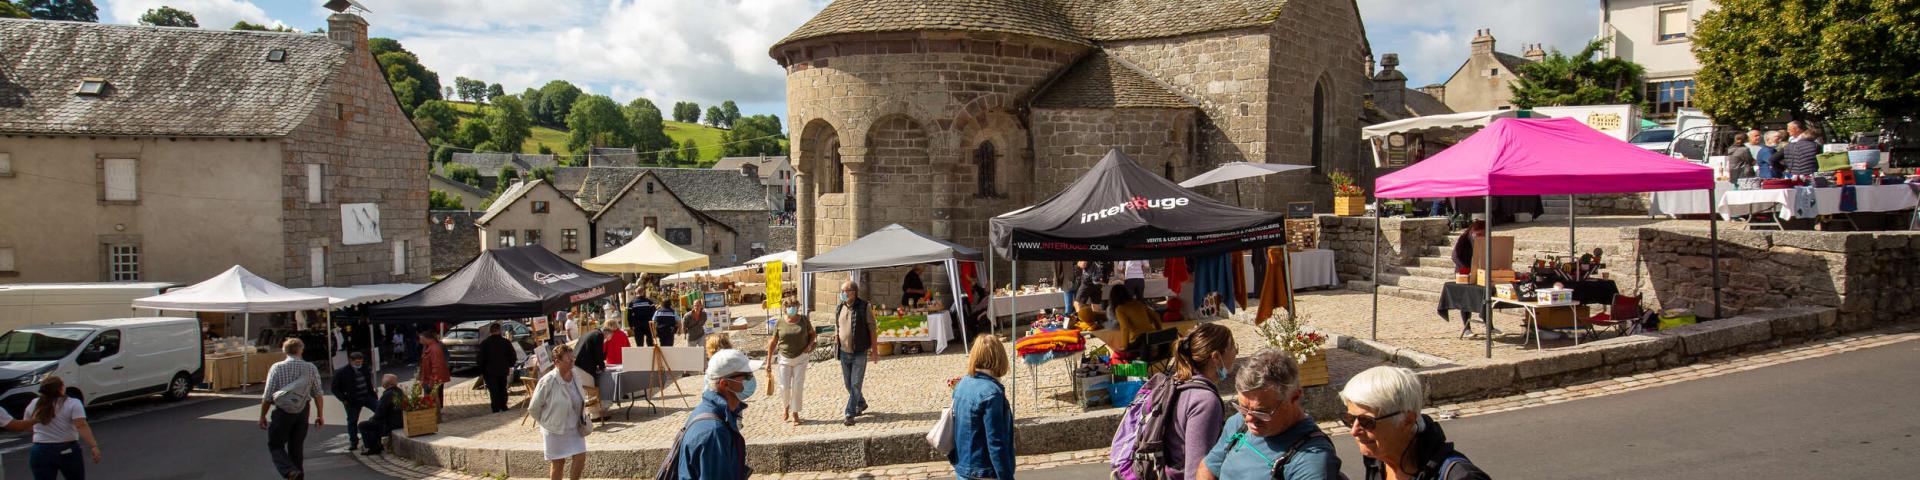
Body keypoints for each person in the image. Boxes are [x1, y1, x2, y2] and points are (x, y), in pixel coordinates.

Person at [1196, 350, 1340, 480]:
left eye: (1261, 411)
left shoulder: (1311, 460)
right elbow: (1207, 468)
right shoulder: (1239, 423)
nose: (1248, 419)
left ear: (1294, 397)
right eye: (1243, 408)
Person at [1341, 367, 1490, 480]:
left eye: (1366, 421)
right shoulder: (1377, 458)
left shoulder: (1461, 476)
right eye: (1349, 419)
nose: (1354, 431)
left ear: (1407, 419)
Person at [1163, 324, 1238, 480]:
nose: (1236, 352)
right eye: (1233, 347)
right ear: (1216, 357)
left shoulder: (1177, 383)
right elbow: (1196, 472)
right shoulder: (1205, 402)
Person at [670, 349, 755, 479]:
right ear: (724, 384)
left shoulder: (710, 411)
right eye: (747, 376)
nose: (751, 379)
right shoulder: (714, 432)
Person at [948, 335, 1014, 480]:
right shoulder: (992, 394)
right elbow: (996, 443)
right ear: (1000, 357)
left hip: (963, 466)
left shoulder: (962, 384)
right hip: (984, 470)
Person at [260, 339, 325, 480]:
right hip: (302, 410)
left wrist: (262, 415)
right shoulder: (310, 368)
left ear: (284, 350)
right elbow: (318, 393)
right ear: (301, 350)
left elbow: (267, 395)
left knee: (275, 444)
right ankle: (297, 475)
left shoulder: (277, 367)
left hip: (282, 410)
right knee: (296, 448)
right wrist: (320, 414)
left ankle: (289, 471)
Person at [529, 344, 590, 480]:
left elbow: (580, 396)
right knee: (558, 462)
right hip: (554, 430)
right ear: (557, 362)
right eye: (568, 359)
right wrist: (547, 423)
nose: (572, 361)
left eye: (573, 358)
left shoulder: (575, 375)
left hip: (575, 426)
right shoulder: (548, 380)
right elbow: (533, 408)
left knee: (580, 456)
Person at [24, 376, 100, 480]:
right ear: (61, 388)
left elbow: (27, 426)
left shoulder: (34, 403)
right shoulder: (73, 403)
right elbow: (81, 425)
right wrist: (93, 445)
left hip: (40, 449)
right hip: (67, 448)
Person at [833, 280, 877, 426]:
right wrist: (836, 336)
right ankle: (861, 403)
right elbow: (837, 325)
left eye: (844, 291)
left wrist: (875, 351)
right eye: (841, 291)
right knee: (848, 384)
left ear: (853, 292)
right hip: (844, 352)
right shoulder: (839, 306)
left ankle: (849, 413)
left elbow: (872, 329)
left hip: (859, 352)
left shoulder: (864, 307)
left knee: (855, 383)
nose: (842, 294)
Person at [765, 310, 817, 426]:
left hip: (801, 358)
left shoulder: (803, 320)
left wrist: (809, 345)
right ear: (785, 309)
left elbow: (813, 334)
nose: (792, 308)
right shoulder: (779, 322)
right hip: (784, 358)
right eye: (789, 306)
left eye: (794, 306)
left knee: (797, 386)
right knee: (784, 387)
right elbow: (773, 342)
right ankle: (786, 406)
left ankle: (795, 413)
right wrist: (768, 362)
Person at [330, 352, 377, 451]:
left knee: (379, 409)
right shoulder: (342, 372)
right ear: (351, 361)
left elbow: (368, 382)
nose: (359, 364)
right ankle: (353, 442)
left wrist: (373, 394)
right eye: (356, 362)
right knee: (352, 421)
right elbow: (334, 388)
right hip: (352, 400)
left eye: (360, 361)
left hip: (366, 396)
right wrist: (343, 399)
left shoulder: (364, 368)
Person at [1107, 284, 1162, 355]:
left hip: (1140, 341)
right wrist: (1159, 332)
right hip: (1152, 337)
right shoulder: (1138, 303)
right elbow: (1156, 315)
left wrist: (1125, 346)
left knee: (1117, 354)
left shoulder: (1120, 309)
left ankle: (1132, 365)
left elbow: (1125, 328)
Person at [478, 323, 519, 413]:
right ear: (499, 331)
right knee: (502, 388)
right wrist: (510, 365)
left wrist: (482, 370)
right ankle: (503, 406)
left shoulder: (485, 343)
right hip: (502, 370)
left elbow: (480, 359)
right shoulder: (505, 342)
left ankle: (496, 408)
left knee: (494, 391)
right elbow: (513, 356)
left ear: (490, 331)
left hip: (489, 372)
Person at [359, 374, 403, 455]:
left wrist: (373, 418)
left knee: (363, 425)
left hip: (390, 423)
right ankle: (377, 445)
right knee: (372, 422)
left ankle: (372, 447)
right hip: (399, 421)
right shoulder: (399, 392)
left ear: (385, 384)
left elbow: (380, 412)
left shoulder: (387, 394)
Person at [575, 323, 609, 421]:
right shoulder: (599, 335)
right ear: (606, 333)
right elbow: (598, 353)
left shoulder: (591, 333)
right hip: (584, 366)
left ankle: (591, 413)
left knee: (586, 390)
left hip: (577, 363)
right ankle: (594, 415)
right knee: (591, 390)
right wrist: (602, 367)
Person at [418, 330, 450, 419]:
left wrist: (431, 382)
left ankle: (434, 419)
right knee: (431, 400)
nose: (420, 341)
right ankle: (432, 418)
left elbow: (436, 367)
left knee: (433, 400)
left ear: (426, 339)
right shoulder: (429, 347)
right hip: (428, 379)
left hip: (431, 380)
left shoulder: (435, 348)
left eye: (421, 339)